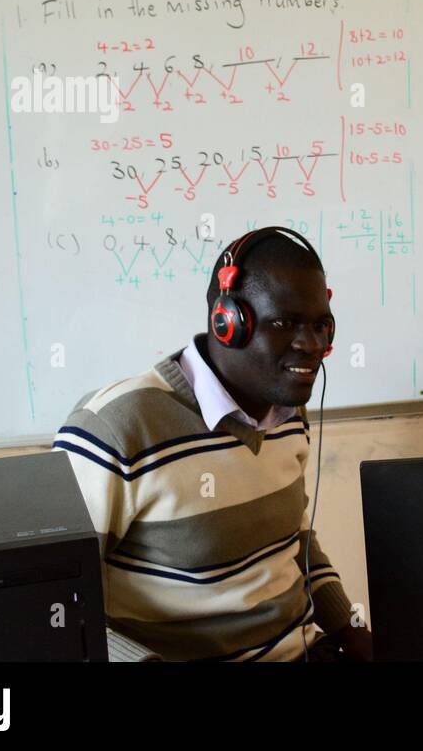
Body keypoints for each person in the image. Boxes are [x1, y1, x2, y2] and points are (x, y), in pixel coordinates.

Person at [54, 226, 372, 661]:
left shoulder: (287, 413)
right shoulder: (115, 428)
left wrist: (353, 629)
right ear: (227, 323)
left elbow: (293, 542)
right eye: (286, 324)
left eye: (321, 326)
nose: (311, 345)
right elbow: (55, 603)